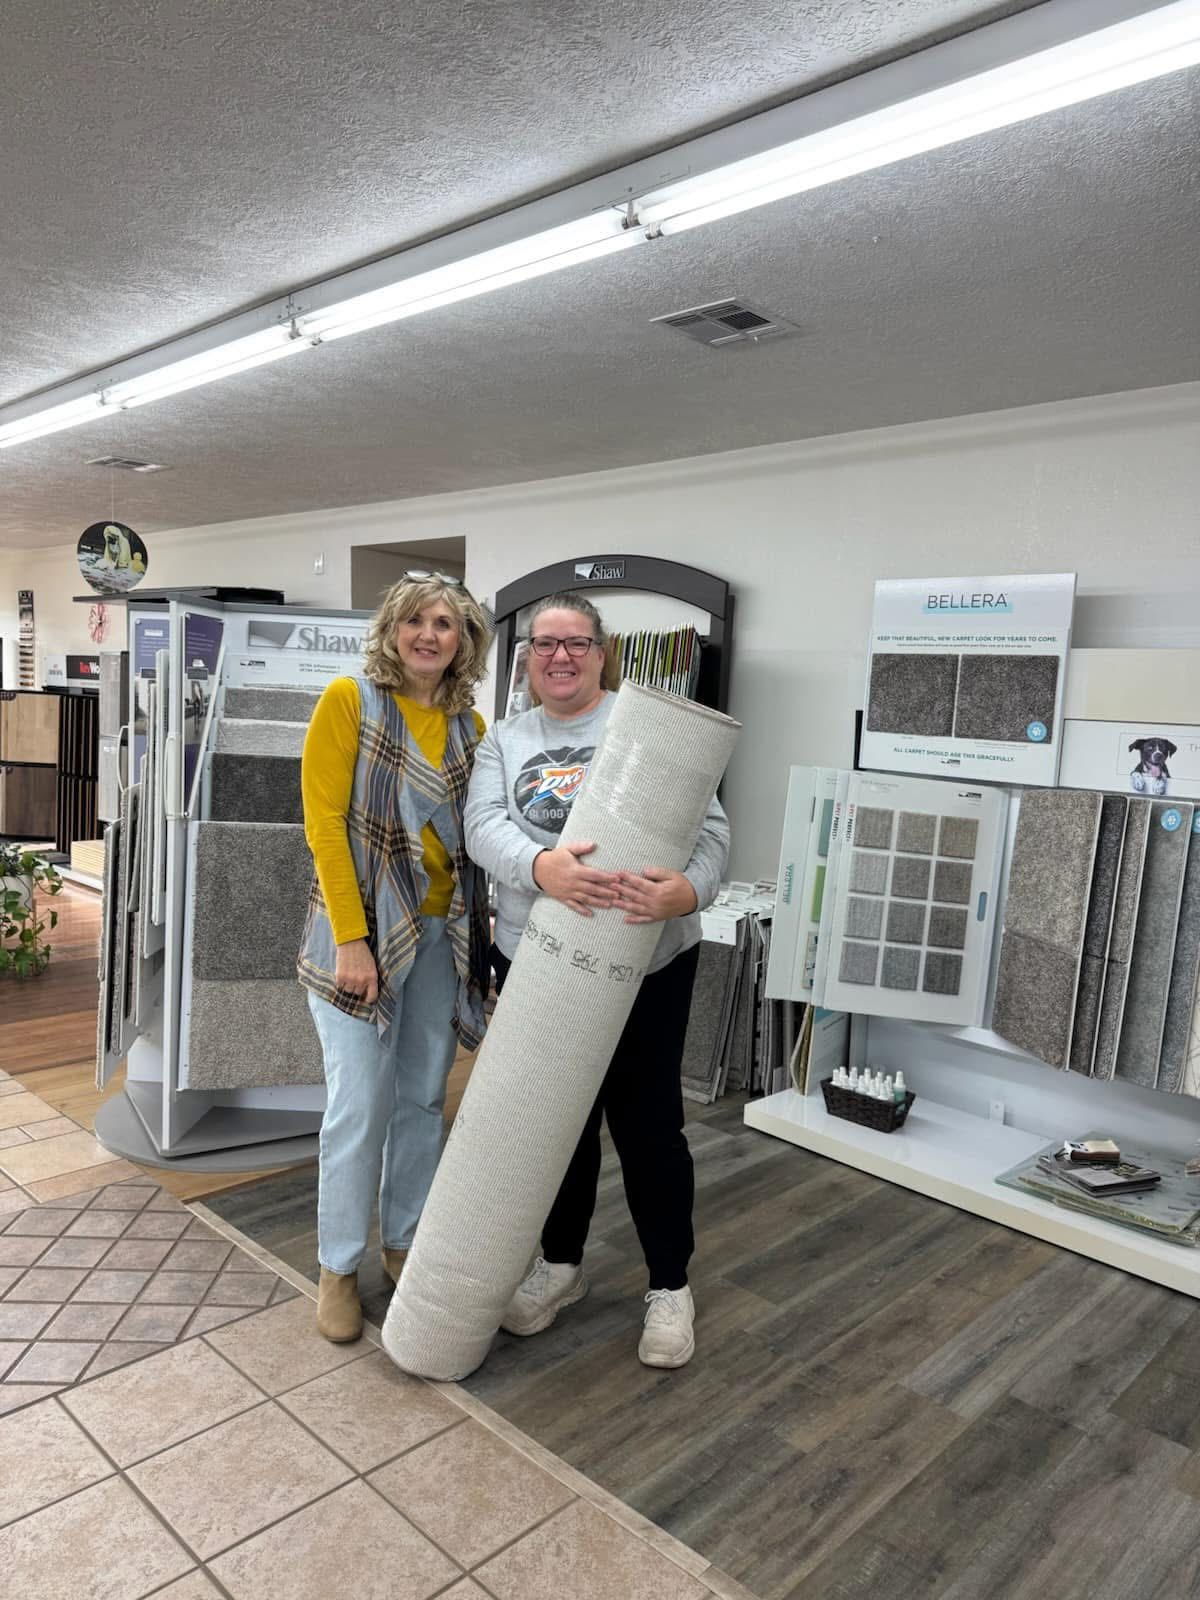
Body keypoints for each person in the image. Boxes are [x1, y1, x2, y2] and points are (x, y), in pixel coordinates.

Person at [464, 590, 730, 1368]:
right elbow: (483, 828)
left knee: (648, 1126)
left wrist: (690, 891)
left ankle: (670, 1287)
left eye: (575, 643)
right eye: (544, 645)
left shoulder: (645, 727)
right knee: (557, 1123)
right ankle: (561, 1265)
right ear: (528, 658)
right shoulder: (505, 740)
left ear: (601, 651)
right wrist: (540, 867)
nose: (560, 657)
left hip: (650, 961)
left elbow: (711, 829)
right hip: (538, 957)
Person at [298, 573, 493, 1342]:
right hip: (359, 938)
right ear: (392, 627)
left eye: (445, 623)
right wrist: (352, 938)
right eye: (415, 619)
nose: (429, 634)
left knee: (419, 1099)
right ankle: (337, 1266)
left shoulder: (471, 725)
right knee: (358, 1106)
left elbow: (474, 844)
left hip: (440, 938)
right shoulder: (351, 701)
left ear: (463, 642)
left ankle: (402, 1240)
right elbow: (325, 827)